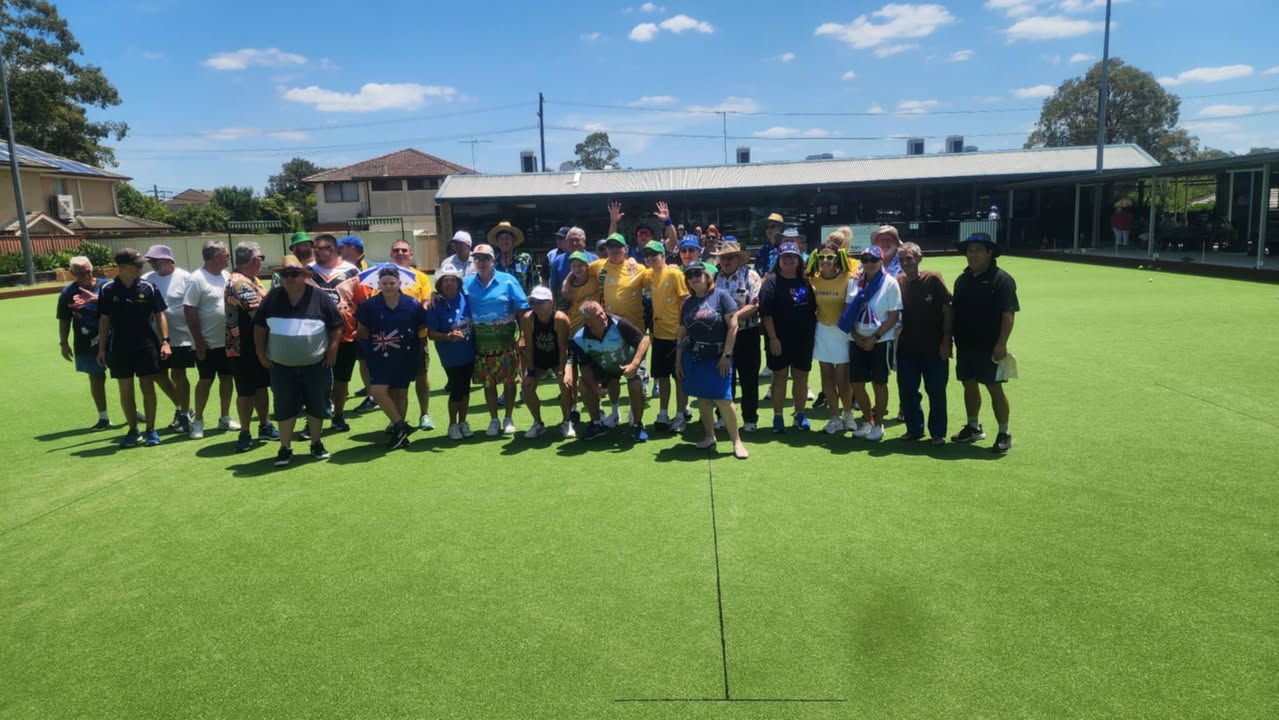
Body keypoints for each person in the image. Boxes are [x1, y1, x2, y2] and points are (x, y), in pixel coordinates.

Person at [254, 256, 344, 466]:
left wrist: (332, 351)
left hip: (316, 364)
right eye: (284, 274)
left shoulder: (319, 296)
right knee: (284, 406)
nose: (289, 278)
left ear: (304, 276)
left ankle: (316, 443)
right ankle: (285, 447)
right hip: (281, 366)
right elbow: (259, 327)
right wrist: (260, 353)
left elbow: (337, 325)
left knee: (317, 404)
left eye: (294, 274)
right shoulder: (272, 297)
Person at [96, 248, 173, 448]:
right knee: (126, 389)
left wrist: (165, 341)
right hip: (119, 346)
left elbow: (160, 314)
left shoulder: (149, 287)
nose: (141, 268)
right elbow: (104, 320)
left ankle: (151, 430)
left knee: (147, 386)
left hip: (146, 344)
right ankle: (133, 430)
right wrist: (101, 349)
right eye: (136, 265)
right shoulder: (107, 290)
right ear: (122, 267)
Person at [950, 232, 1019, 454]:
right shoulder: (962, 279)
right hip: (965, 345)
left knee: (994, 388)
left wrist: (1002, 344)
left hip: (990, 347)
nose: (973, 254)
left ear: (990, 252)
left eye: (979, 250)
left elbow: (1008, 314)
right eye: (970, 250)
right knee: (969, 385)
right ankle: (973, 427)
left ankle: (1004, 433)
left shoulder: (1002, 279)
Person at [676, 262, 747, 459]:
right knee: (703, 400)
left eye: (697, 273)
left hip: (718, 358)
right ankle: (710, 436)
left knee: (724, 400)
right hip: (695, 357)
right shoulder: (688, 303)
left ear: (707, 275)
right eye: (689, 275)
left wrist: (726, 356)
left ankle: (737, 441)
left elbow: (733, 328)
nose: (693, 277)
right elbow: (681, 334)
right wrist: (678, 361)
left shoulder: (721, 296)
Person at [356, 267, 429, 450]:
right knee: (378, 390)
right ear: (378, 284)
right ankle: (399, 425)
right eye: (384, 283)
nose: (388, 286)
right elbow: (362, 331)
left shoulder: (412, 304)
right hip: (378, 356)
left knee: (400, 393)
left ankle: (399, 434)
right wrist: (369, 352)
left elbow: (421, 330)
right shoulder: (369, 305)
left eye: (392, 283)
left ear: (399, 284)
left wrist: (419, 353)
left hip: (406, 355)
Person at [464, 243, 530, 436]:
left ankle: (508, 417)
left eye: (485, 258)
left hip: (506, 341)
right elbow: (452, 297)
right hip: (481, 343)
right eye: (477, 258)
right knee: (488, 382)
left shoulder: (508, 280)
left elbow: (522, 309)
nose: (481, 262)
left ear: (493, 260)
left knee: (509, 381)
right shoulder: (467, 283)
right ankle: (494, 419)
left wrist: (524, 335)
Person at [839, 245, 902, 442]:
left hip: (881, 341)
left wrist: (874, 338)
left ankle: (879, 422)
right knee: (856, 383)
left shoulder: (890, 283)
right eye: (865, 260)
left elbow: (893, 316)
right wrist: (856, 336)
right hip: (856, 339)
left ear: (881, 261)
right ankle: (868, 421)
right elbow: (847, 311)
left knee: (879, 383)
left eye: (873, 260)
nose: (868, 264)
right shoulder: (854, 282)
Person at [567, 301, 651, 442]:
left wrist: (634, 364)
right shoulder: (580, 339)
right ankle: (596, 423)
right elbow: (585, 367)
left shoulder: (619, 324)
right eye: (597, 316)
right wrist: (595, 388)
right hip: (604, 365)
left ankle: (637, 425)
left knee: (635, 383)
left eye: (602, 312)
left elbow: (644, 340)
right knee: (584, 385)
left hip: (629, 360)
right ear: (588, 322)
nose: (603, 317)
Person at [894, 242, 952, 445]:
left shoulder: (933, 279)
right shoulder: (898, 282)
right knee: (907, 392)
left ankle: (937, 433)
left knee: (936, 392)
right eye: (901, 259)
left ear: (919, 258)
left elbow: (947, 310)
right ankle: (914, 430)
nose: (905, 263)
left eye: (909, 258)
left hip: (935, 349)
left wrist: (946, 340)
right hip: (907, 350)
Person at [224, 242, 279, 452]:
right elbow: (258, 314)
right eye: (261, 258)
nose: (261, 263)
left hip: (256, 344)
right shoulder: (239, 283)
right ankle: (245, 432)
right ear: (255, 260)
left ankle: (264, 425)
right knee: (246, 391)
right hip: (243, 346)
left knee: (260, 386)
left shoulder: (252, 280)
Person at [759, 241, 817, 433]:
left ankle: (799, 415)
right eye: (785, 257)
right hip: (779, 339)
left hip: (803, 338)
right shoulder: (771, 282)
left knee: (801, 377)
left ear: (799, 260)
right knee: (780, 376)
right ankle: (778, 417)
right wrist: (773, 338)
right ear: (779, 260)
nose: (789, 260)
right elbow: (766, 314)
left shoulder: (807, 281)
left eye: (793, 257)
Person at [183, 240, 236, 439]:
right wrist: (199, 341)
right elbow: (189, 310)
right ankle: (198, 421)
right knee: (205, 380)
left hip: (228, 341)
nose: (229, 257)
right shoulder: (197, 279)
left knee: (226, 378)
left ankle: (225, 417)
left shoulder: (226, 275)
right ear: (216, 256)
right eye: (226, 254)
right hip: (206, 343)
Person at [710, 239, 763, 432]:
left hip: (747, 334)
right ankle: (723, 417)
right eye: (723, 257)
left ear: (738, 259)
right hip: (722, 335)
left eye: (730, 257)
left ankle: (750, 419)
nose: (726, 261)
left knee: (749, 378)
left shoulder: (751, 276)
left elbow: (755, 304)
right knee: (724, 377)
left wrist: (733, 317)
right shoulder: (714, 278)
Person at [141, 244, 196, 433]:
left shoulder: (186, 278)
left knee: (178, 373)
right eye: (150, 260)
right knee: (158, 375)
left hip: (182, 336)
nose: (151, 263)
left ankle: (183, 414)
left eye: (154, 260)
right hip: (155, 337)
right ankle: (183, 409)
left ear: (167, 260)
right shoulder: (146, 280)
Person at [308, 234, 360, 432]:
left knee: (341, 379)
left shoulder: (352, 271)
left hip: (346, 336)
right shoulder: (308, 272)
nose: (317, 252)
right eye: (315, 249)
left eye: (321, 248)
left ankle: (338, 415)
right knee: (315, 379)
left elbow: (362, 301)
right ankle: (314, 417)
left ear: (333, 249)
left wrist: (360, 329)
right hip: (315, 335)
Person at [806, 242, 857, 434]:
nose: (825, 261)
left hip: (842, 332)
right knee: (826, 376)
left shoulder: (848, 278)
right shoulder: (812, 280)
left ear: (838, 259)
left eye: (830, 257)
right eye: (821, 258)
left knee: (843, 378)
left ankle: (848, 413)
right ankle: (834, 417)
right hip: (822, 331)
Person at [57, 255, 111, 428]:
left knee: (125, 376)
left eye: (88, 271)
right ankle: (103, 417)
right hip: (86, 342)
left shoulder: (107, 286)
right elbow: (64, 320)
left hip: (113, 339)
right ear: (72, 273)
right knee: (96, 378)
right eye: (81, 273)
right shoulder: (67, 293)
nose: (86, 275)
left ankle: (132, 411)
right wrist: (63, 342)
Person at [641, 240, 690, 432]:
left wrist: (684, 328)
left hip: (676, 335)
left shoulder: (674, 273)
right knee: (662, 377)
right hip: (659, 335)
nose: (651, 258)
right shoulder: (650, 275)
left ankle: (680, 414)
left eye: (654, 254)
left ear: (663, 255)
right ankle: (663, 413)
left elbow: (685, 300)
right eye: (647, 254)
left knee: (679, 377)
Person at [425, 268, 476, 441]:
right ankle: (452, 424)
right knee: (456, 389)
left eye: (453, 280)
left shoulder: (466, 298)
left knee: (466, 390)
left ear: (458, 283)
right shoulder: (435, 304)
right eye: (445, 280)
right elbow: (431, 333)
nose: (449, 283)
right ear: (439, 284)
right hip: (450, 356)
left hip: (469, 353)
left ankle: (463, 422)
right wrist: (447, 336)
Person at [519, 286, 574, 439]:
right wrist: (529, 373)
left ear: (551, 303)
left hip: (559, 358)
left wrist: (563, 373)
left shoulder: (560, 319)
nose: (536, 306)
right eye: (533, 303)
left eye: (540, 302)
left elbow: (563, 349)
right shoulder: (528, 318)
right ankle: (538, 423)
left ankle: (566, 421)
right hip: (539, 358)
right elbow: (529, 348)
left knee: (566, 385)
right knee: (527, 386)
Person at [548, 227, 596, 301]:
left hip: (590, 304)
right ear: (567, 243)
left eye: (577, 240)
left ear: (584, 242)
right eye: (571, 240)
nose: (574, 243)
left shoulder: (594, 259)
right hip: (566, 305)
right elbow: (553, 287)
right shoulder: (558, 261)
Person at [489, 221, 537, 292]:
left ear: (513, 241)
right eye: (501, 239)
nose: (504, 241)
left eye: (507, 238)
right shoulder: (492, 262)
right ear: (497, 242)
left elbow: (535, 283)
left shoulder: (525, 259)